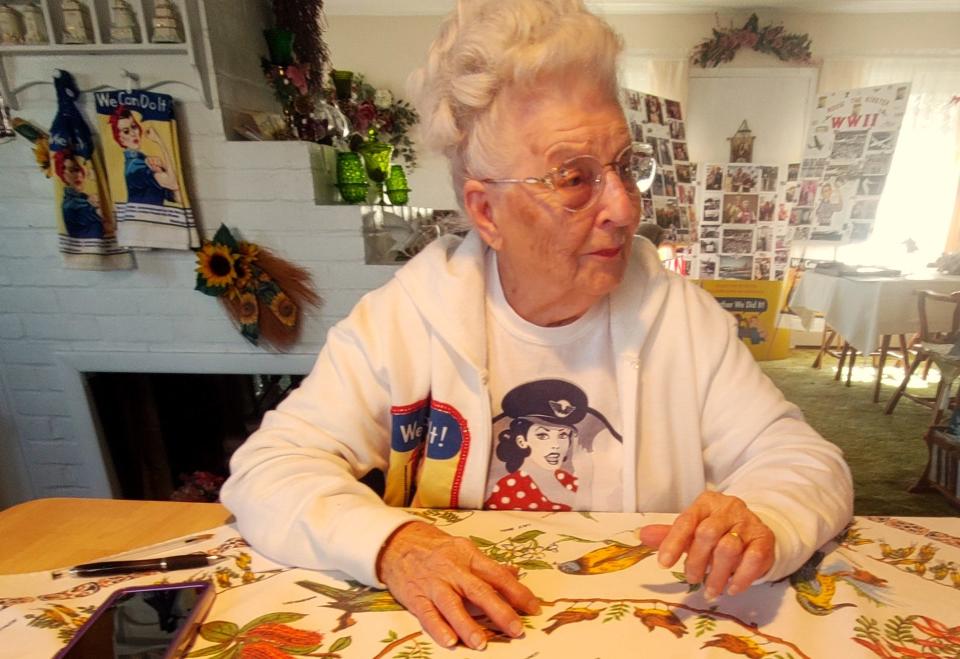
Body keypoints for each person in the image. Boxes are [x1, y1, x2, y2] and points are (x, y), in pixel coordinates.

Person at [221, 0, 853, 652]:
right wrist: (394, 545)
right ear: (486, 211)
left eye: (625, 166)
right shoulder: (401, 320)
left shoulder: (681, 319)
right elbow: (266, 471)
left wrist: (766, 516)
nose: (623, 206)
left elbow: (806, 461)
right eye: (573, 177)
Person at [108, 105, 180, 206]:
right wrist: (160, 142)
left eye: (134, 127)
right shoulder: (135, 166)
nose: (133, 133)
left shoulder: (144, 161)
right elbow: (173, 183)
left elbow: (178, 196)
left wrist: (163, 167)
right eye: (126, 131)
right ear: (120, 139)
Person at [54, 149, 109, 239]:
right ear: (63, 175)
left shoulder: (84, 199)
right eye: (73, 170)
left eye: (80, 170)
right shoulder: (72, 204)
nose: (78, 175)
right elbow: (107, 227)